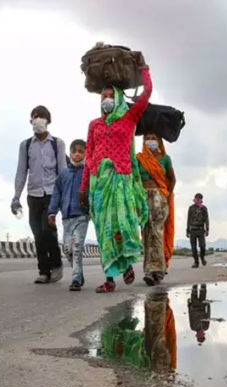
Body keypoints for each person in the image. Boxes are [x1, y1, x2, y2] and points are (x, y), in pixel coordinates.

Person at [79, 56, 152, 293]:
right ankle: (109, 278)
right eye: (103, 97)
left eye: (111, 97)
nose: (107, 100)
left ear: (119, 99)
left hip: (121, 180)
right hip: (99, 183)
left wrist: (144, 69)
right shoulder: (94, 125)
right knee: (104, 230)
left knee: (124, 224)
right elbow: (88, 155)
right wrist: (84, 186)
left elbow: (146, 94)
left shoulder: (128, 119)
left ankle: (128, 262)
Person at [12, 105, 66, 284]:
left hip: (52, 193)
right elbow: (21, 172)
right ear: (31, 121)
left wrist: (64, 196)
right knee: (37, 233)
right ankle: (44, 271)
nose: (37, 120)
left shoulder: (57, 144)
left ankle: (57, 265)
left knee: (47, 229)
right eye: (34, 117)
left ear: (47, 121)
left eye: (41, 116)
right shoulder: (25, 145)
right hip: (33, 195)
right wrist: (16, 196)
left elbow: (63, 171)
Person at [48, 139, 89, 292]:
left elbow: (92, 192)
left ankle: (76, 279)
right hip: (66, 218)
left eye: (81, 151)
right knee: (67, 250)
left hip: (82, 216)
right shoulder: (63, 174)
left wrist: (90, 206)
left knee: (77, 247)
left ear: (86, 153)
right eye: (74, 151)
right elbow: (56, 194)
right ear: (70, 154)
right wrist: (52, 212)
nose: (77, 154)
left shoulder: (88, 173)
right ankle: (78, 273)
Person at [136, 134, 176, 286]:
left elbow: (172, 179)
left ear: (159, 141)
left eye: (153, 137)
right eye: (147, 137)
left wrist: (166, 194)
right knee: (146, 234)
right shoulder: (139, 158)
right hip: (143, 198)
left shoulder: (165, 159)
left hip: (159, 198)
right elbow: (135, 178)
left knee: (156, 233)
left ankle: (155, 270)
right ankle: (152, 270)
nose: (150, 140)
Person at [186, 193, 210, 268]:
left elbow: (206, 219)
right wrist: (187, 230)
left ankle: (202, 257)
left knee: (202, 246)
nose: (197, 200)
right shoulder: (191, 208)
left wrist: (207, 229)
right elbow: (188, 219)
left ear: (201, 199)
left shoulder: (204, 208)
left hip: (201, 230)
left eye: (199, 199)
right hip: (192, 230)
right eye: (196, 198)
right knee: (193, 248)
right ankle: (196, 262)